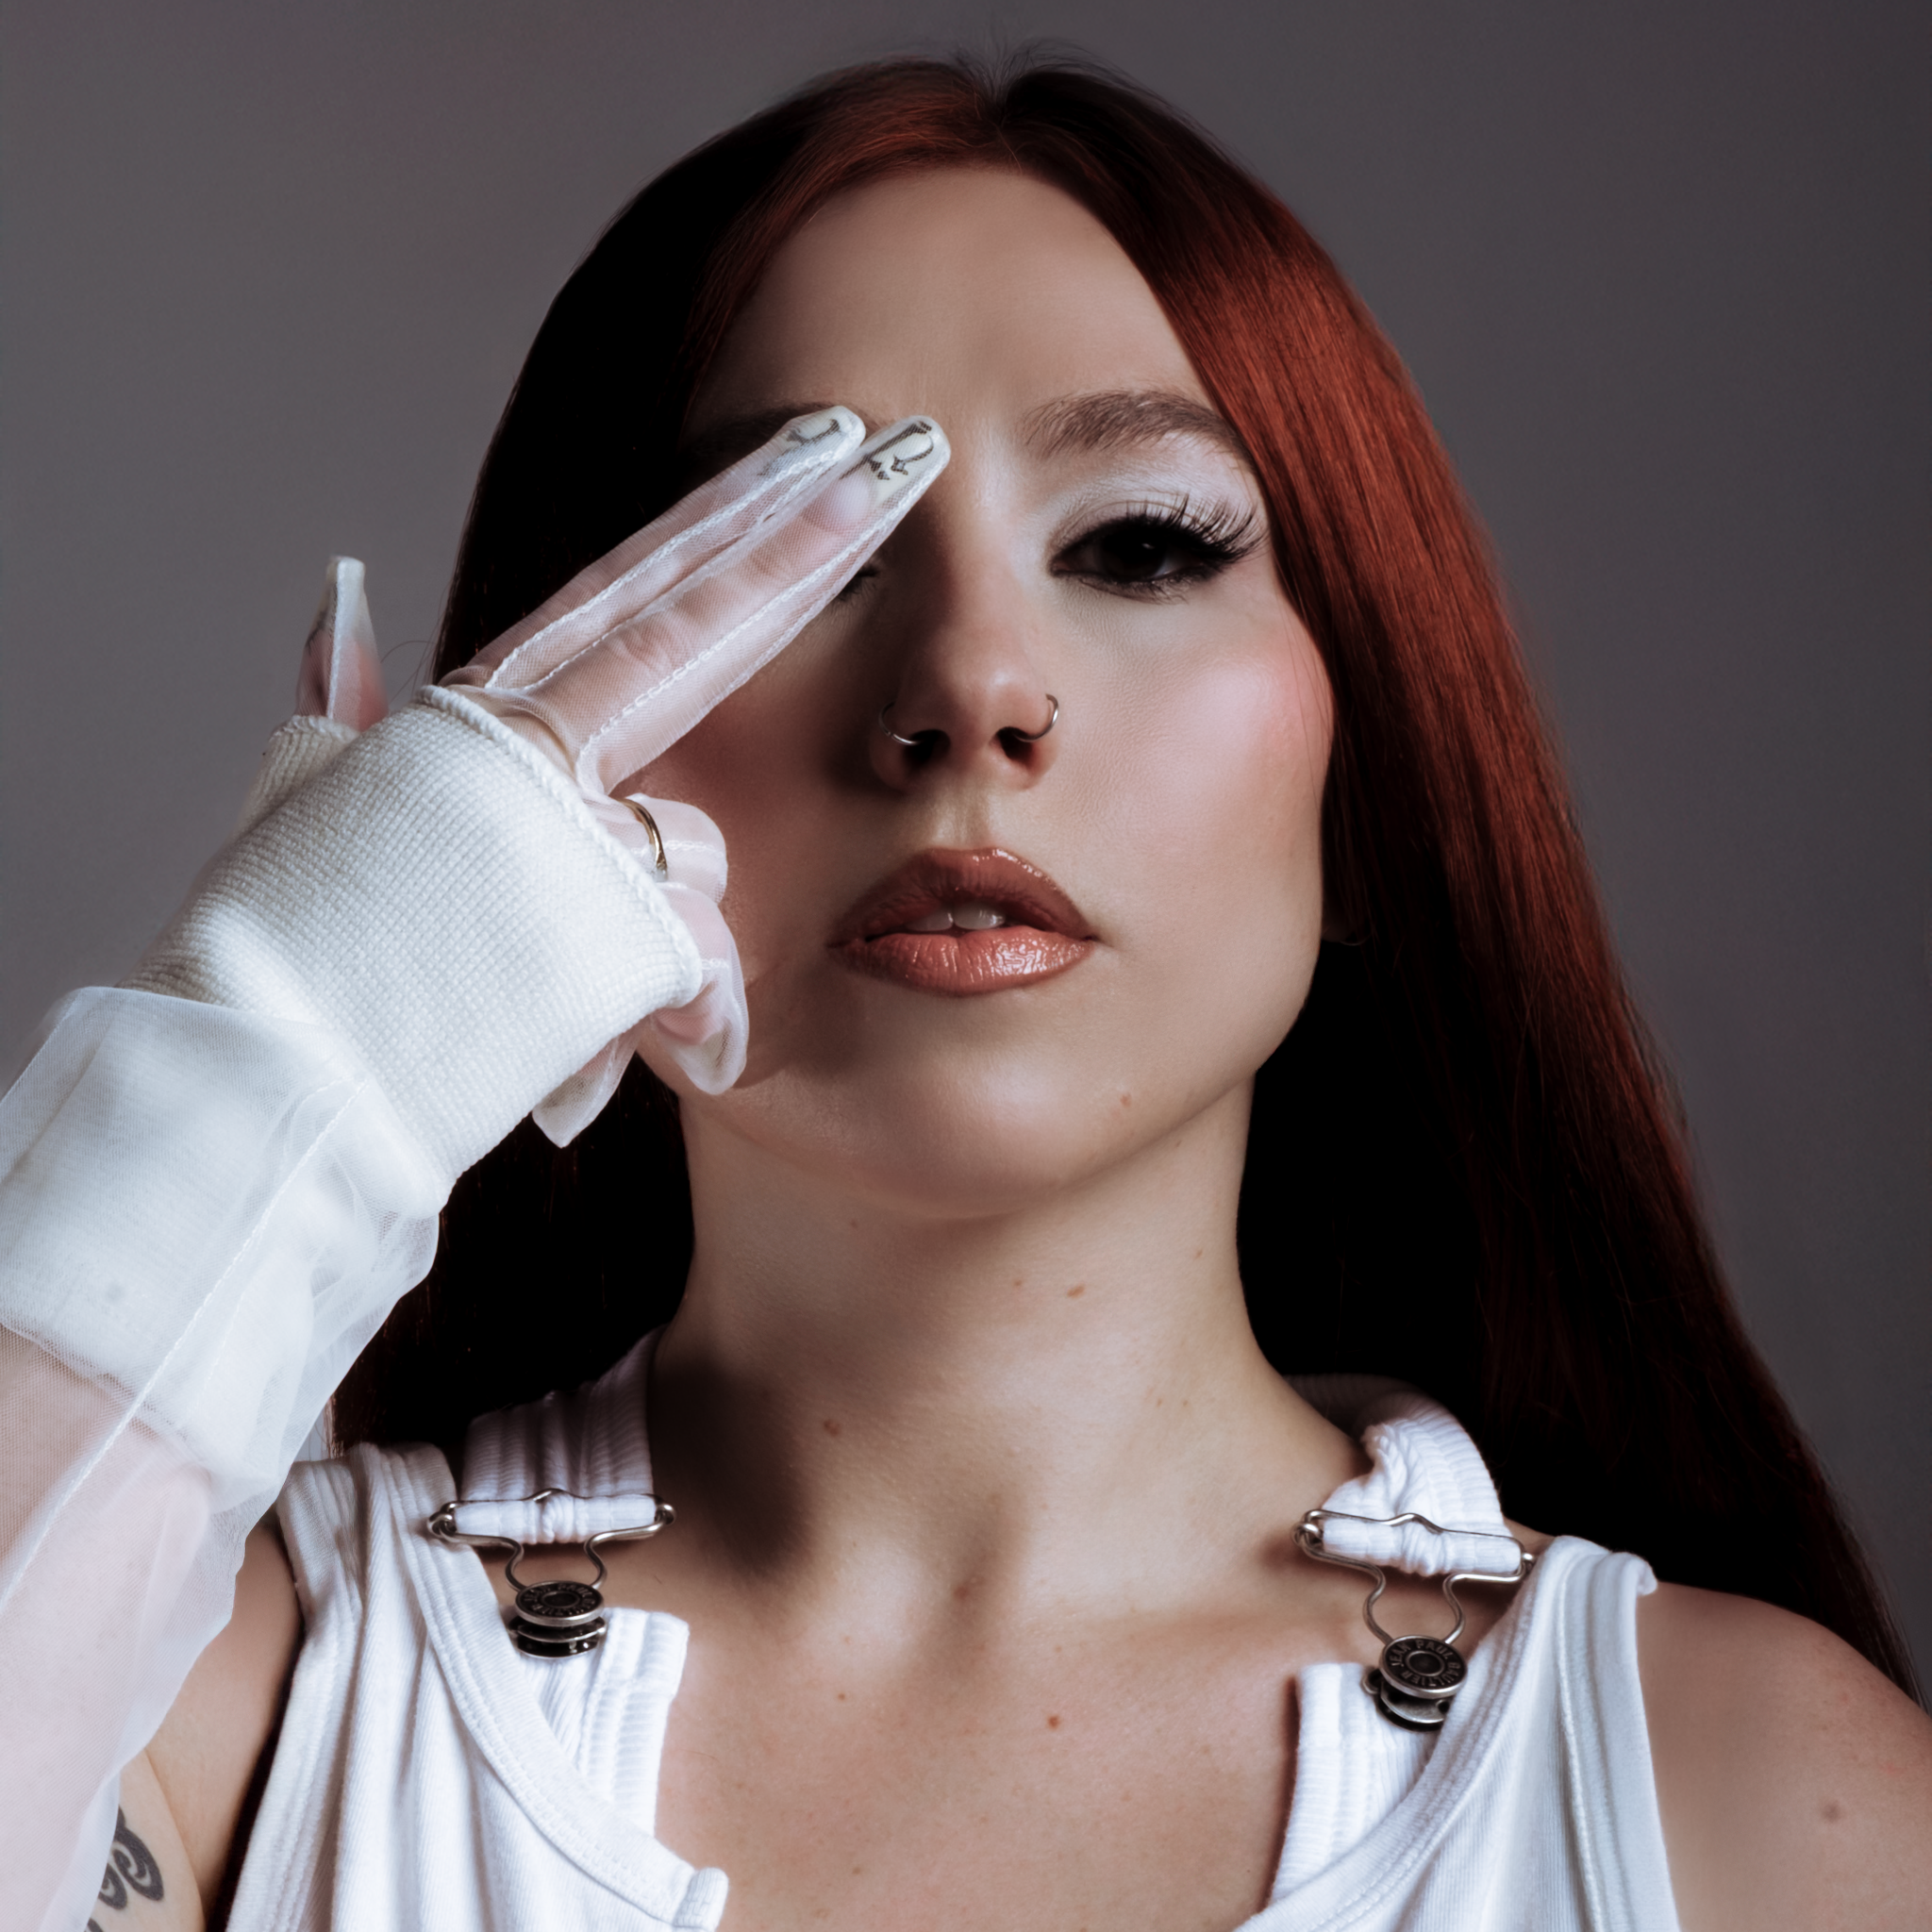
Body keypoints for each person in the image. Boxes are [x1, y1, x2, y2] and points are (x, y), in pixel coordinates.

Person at [1, 53, 1926, 1932]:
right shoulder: (212, 1717)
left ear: (1369, 785)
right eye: (791, 559)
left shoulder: (1763, 1807)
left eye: (1143, 544)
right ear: (550, 747)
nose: (971, 686)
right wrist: (292, 1062)